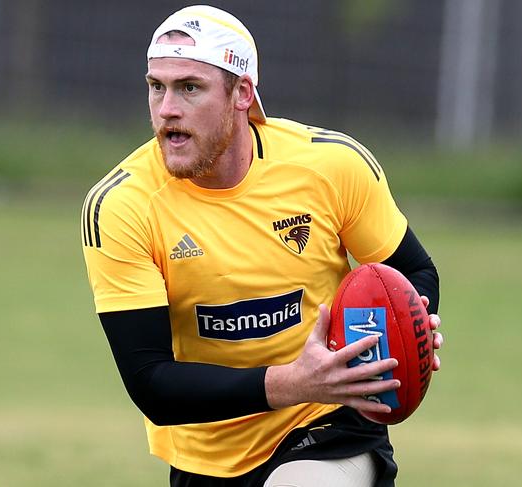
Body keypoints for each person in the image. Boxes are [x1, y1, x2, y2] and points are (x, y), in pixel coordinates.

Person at [81, 5, 443, 487]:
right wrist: (293, 380)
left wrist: (411, 326)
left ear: (241, 94)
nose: (167, 107)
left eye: (190, 87)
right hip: (204, 455)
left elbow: (415, 273)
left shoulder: (331, 166)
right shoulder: (122, 205)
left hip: (326, 424)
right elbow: (151, 382)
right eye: (157, 86)